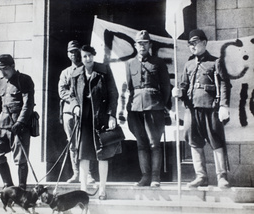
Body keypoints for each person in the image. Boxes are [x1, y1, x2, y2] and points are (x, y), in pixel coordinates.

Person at [172, 29, 231, 188]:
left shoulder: (215, 62)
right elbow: (184, 86)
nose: (193, 46)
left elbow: (225, 84)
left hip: (211, 107)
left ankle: (222, 176)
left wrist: (224, 105)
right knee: (193, 141)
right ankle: (201, 176)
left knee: (216, 140)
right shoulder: (188, 64)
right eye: (190, 44)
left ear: (204, 43)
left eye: (195, 43)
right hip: (192, 108)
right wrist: (178, 92)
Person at [69, 45, 119, 200]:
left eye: (90, 55)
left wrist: (111, 116)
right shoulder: (76, 74)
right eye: (84, 56)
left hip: (100, 117)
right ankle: (83, 191)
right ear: (81, 58)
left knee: (102, 154)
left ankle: (102, 189)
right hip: (84, 119)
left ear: (94, 56)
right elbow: (71, 95)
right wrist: (75, 106)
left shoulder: (103, 71)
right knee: (84, 155)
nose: (87, 59)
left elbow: (113, 94)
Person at [126, 30, 171, 187]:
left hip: (154, 107)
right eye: (139, 43)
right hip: (135, 108)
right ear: (135, 45)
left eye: (145, 43)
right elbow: (130, 88)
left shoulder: (158, 63)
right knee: (141, 143)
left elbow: (166, 87)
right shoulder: (130, 64)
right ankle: (145, 176)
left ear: (150, 45)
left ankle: (155, 177)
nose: (142, 46)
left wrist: (161, 104)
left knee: (154, 144)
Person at [0, 54, 35, 190]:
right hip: (3, 125)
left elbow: (28, 104)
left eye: (5, 69)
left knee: (21, 158)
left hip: (19, 125)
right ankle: (8, 185)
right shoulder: (1, 82)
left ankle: (21, 188)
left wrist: (20, 122)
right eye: (0, 69)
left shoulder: (24, 80)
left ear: (13, 67)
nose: (2, 72)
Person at [58, 40, 96, 184]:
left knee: (86, 142)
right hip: (69, 111)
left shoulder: (88, 70)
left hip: (85, 112)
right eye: (71, 52)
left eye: (76, 51)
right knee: (72, 144)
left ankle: (89, 174)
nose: (74, 54)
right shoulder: (65, 73)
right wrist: (75, 100)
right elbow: (62, 91)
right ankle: (76, 173)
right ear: (68, 54)